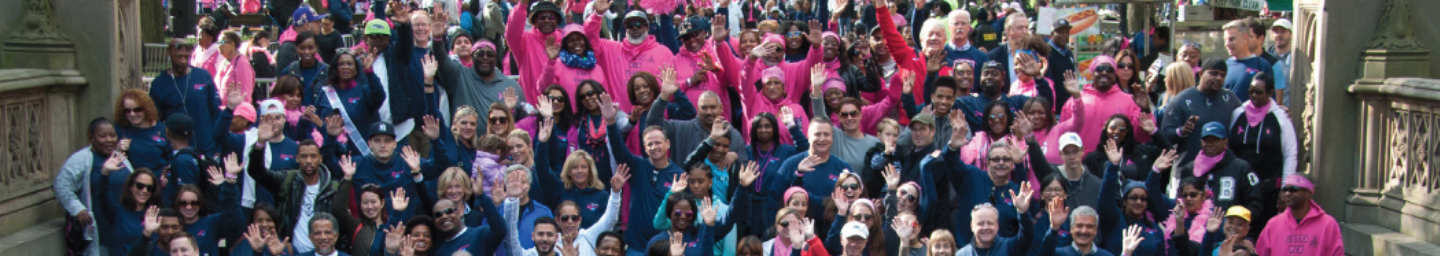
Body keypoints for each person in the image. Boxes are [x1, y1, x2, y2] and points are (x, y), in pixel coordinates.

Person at [935, 112, 1025, 247]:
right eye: (995, 159)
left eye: (1006, 159)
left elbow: (1024, 227)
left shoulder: (1016, 191)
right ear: (987, 163)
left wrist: (1020, 164)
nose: (1001, 163)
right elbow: (951, 162)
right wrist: (952, 147)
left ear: (1012, 164)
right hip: (968, 250)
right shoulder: (970, 176)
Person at [55, 118, 131, 256]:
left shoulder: (121, 158)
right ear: (91, 138)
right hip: (100, 232)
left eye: (112, 135)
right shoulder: (81, 159)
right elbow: (62, 185)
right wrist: (77, 208)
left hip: (123, 231)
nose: (109, 140)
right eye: (103, 136)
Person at [1166, 122, 1260, 216]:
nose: (1210, 144)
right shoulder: (1189, 169)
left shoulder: (1241, 167)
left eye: (1215, 140)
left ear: (1225, 142)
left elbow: (1255, 203)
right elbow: (1181, 201)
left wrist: (1237, 220)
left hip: (1228, 223)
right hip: (1196, 224)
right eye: (1206, 140)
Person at [1161, 58, 1242, 166]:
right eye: (1214, 73)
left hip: (1221, 169)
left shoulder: (1231, 99)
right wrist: (1182, 131)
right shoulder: (1181, 100)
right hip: (1188, 169)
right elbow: (1165, 136)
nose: (1219, 78)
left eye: (1222, 75)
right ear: (1201, 73)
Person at [150, 39, 222, 156]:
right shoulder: (159, 84)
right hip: (178, 151)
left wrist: (218, 147)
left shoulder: (203, 76)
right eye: (178, 56)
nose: (183, 61)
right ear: (168, 53)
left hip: (207, 147)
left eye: (186, 56)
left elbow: (216, 112)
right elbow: (156, 121)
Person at [1095, 159, 1174, 256]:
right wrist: (1113, 166)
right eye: (1134, 198)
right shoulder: (1115, 219)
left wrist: (1155, 171)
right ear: (1125, 201)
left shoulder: (1155, 228)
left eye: (1143, 199)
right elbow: (1105, 198)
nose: (1139, 202)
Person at [1228, 72, 1298, 181]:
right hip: (1240, 182)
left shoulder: (1281, 117)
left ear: (1270, 92)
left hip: (1269, 184)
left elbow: (1290, 153)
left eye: (1259, 92)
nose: (1254, 95)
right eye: (1251, 91)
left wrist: (1286, 185)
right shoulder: (1238, 114)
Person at [1254, 174, 1344, 256]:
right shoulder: (1273, 224)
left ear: (1308, 193)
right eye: (1285, 189)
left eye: (1293, 189)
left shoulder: (1328, 224)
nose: (1287, 193)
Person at [506, 0, 567, 104]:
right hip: (533, 106)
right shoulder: (525, 40)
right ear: (534, 21)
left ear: (557, 20)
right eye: (542, 17)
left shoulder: (565, 40)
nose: (547, 20)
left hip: (561, 105)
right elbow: (512, 32)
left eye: (551, 17)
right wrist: (522, 5)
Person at [1026, 133, 1101, 210]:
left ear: (1082, 151)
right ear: (1061, 154)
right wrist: (1030, 138)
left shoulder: (1097, 184)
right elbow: (1038, 162)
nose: (1072, 157)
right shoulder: (1052, 175)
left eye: (1075, 151)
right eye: (1067, 153)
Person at [113, 90, 171, 172]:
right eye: (127, 111)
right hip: (133, 178)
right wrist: (117, 149)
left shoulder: (161, 129)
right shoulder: (120, 129)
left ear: (146, 109)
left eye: (137, 110)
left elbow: (171, 157)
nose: (132, 114)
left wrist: (167, 173)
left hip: (158, 177)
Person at [1220, 20, 1273, 102]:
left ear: (1245, 38)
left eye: (1231, 39)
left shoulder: (1262, 65)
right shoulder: (1224, 65)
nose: (1227, 44)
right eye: (1225, 40)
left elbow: (1271, 100)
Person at [279, 31, 329, 106]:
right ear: (296, 48)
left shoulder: (327, 71)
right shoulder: (289, 71)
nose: (306, 52)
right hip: (296, 112)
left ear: (317, 47)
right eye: (302, 48)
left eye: (310, 48)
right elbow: (280, 97)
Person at [943, 10, 989, 88]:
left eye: (963, 23)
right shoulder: (941, 53)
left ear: (969, 27)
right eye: (956, 23)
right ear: (949, 27)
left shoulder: (981, 57)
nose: (960, 27)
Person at [275, 6, 327, 73]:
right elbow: (284, 77)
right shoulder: (288, 49)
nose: (320, 25)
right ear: (307, 26)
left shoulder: (314, 44)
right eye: (317, 22)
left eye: (310, 48)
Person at [214, 30, 256, 108]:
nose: (219, 46)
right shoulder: (223, 62)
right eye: (218, 43)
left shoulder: (242, 63)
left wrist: (241, 112)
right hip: (222, 111)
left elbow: (245, 94)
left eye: (222, 42)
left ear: (232, 44)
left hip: (235, 112)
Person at [1046, 20, 1076, 109]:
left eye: (1066, 32)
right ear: (1052, 34)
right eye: (1060, 32)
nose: (1064, 35)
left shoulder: (1068, 53)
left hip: (1068, 105)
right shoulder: (1046, 52)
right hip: (1054, 107)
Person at [1269, 19, 1295, 107]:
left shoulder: (1297, 58)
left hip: (1291, 109)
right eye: (1276, 31)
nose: (1279, 35)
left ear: (1291, 35)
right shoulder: (1266, 58)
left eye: (1283, 31)